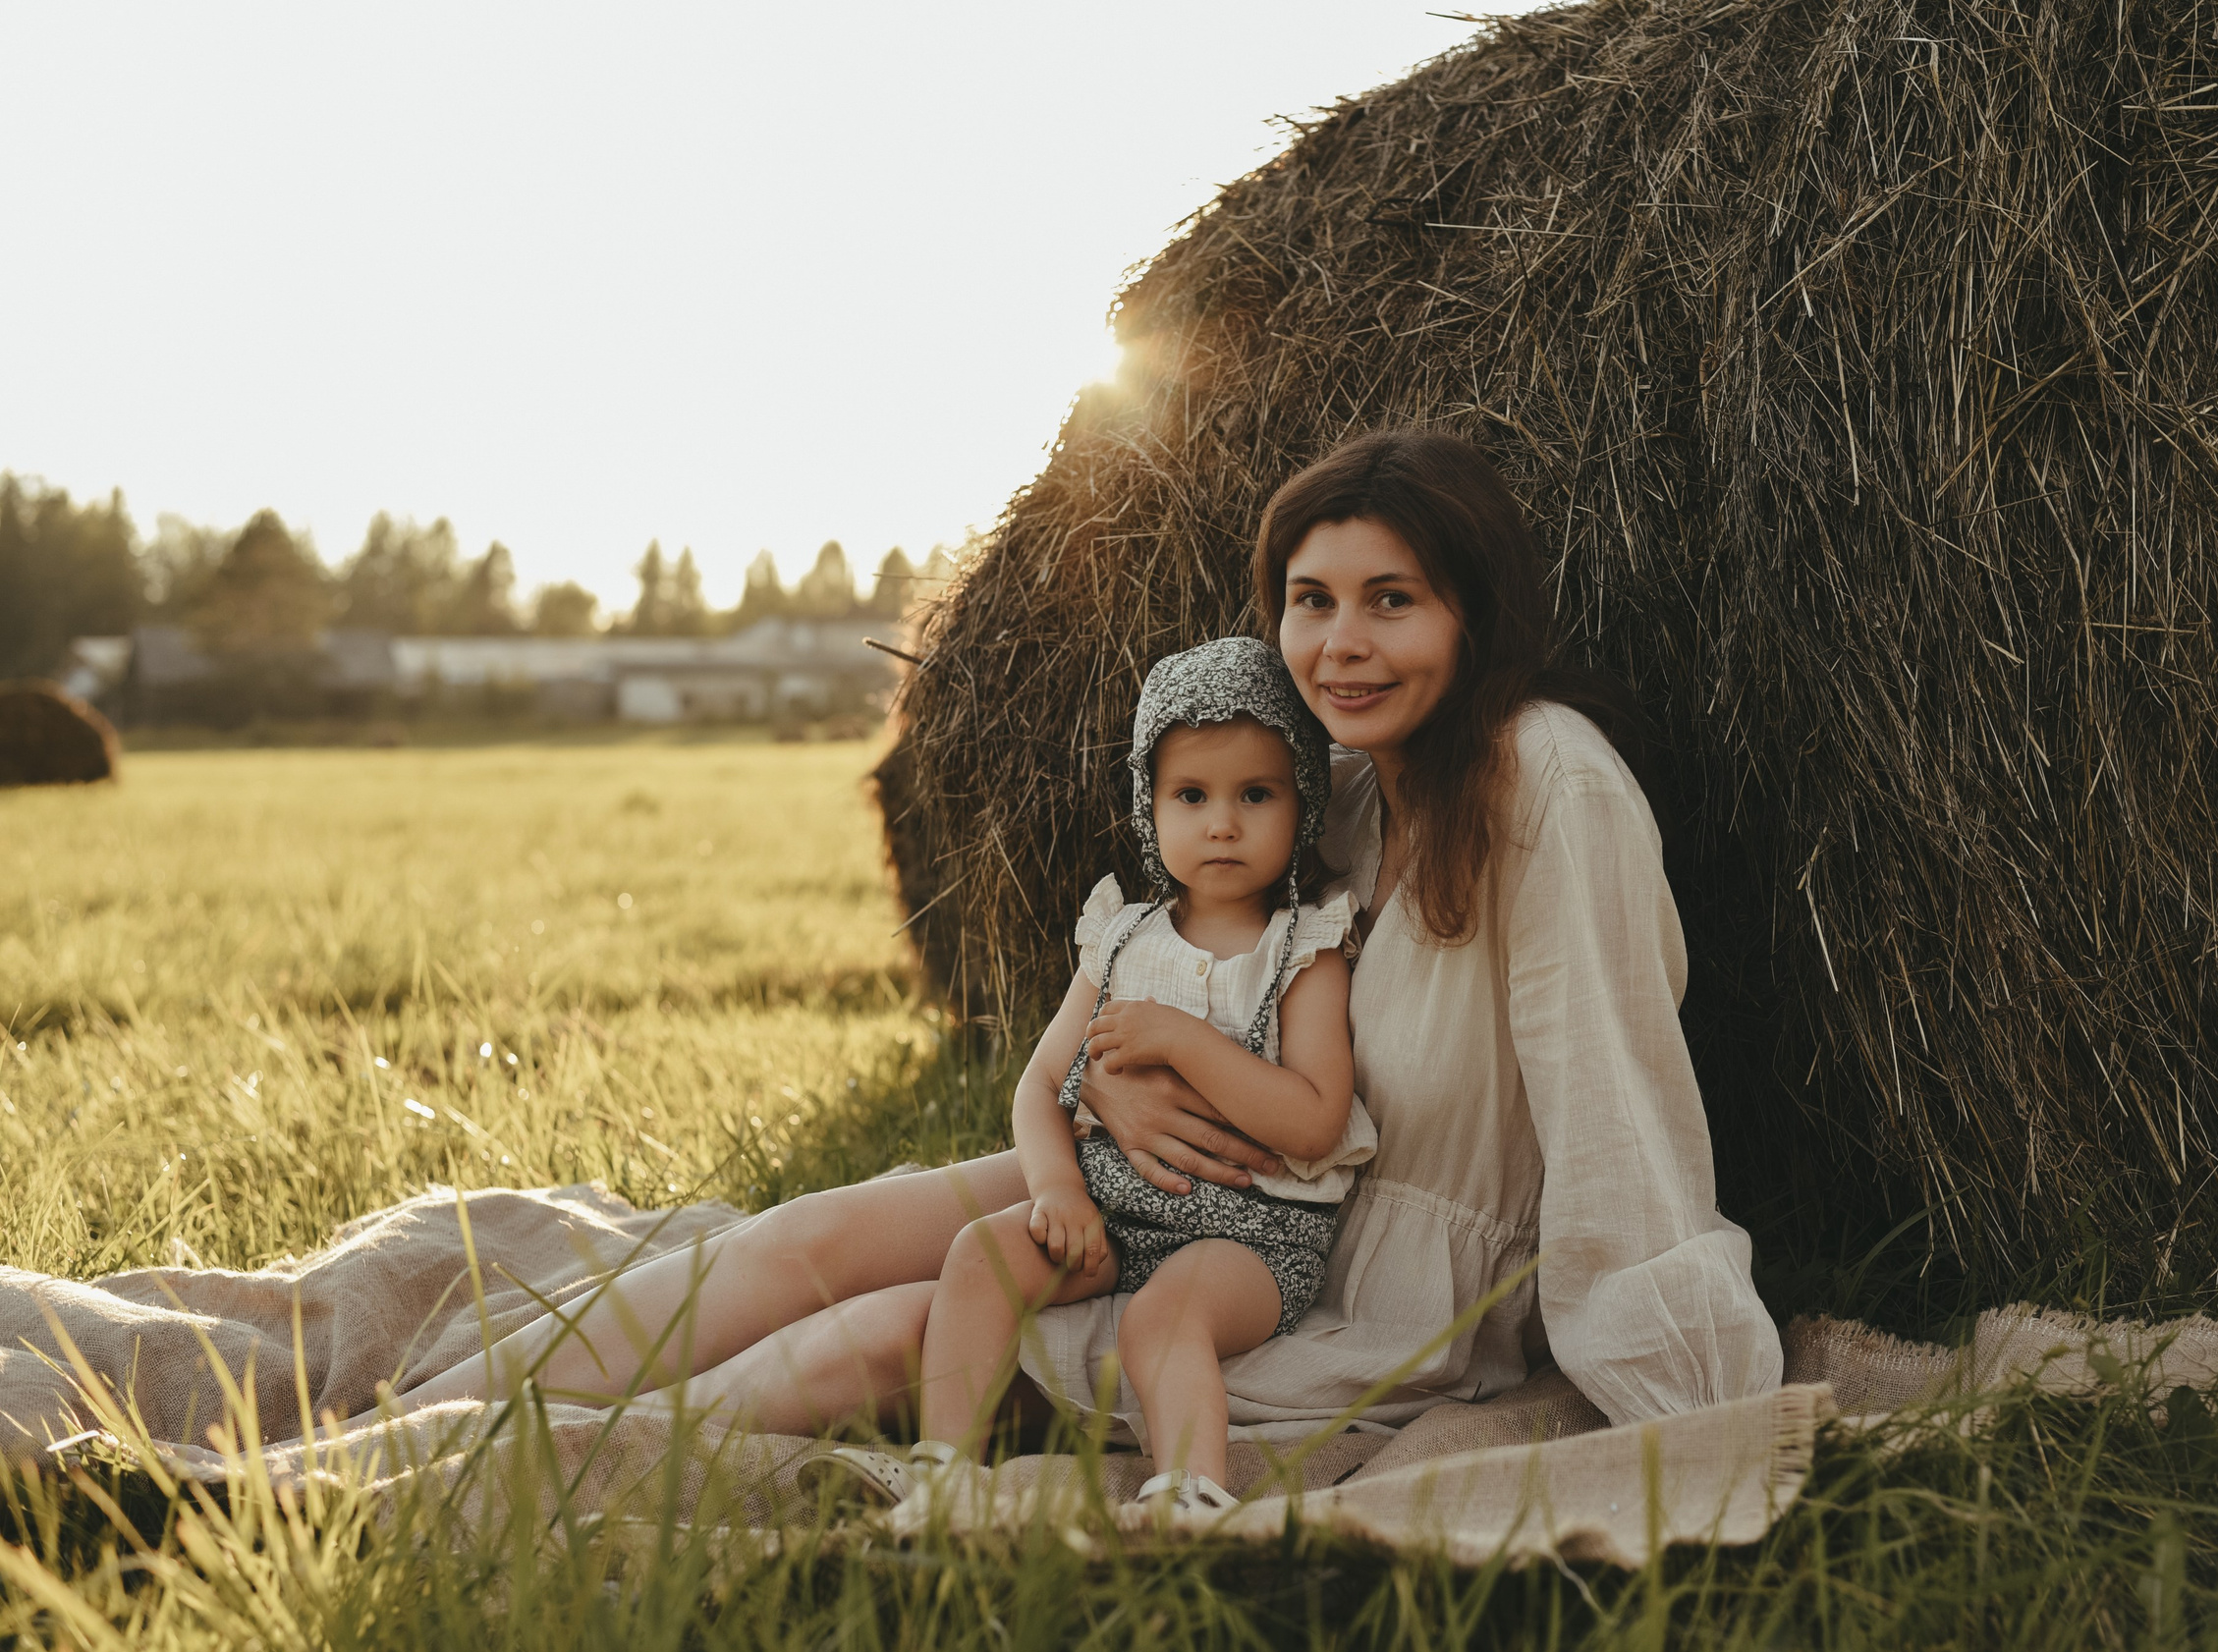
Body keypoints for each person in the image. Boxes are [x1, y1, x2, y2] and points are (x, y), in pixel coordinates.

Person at [373, 428, 1781, 1459]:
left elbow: (1615, 1102)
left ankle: (498, 1469)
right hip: (1175, 1166)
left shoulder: (1548, 782)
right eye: (1311, 599)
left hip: (1334, 1257)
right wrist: (1104, 1076)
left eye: (1393, 601)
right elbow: (1206, 966)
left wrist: (1682, 1379)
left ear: (1477, 613)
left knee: (892, 1326)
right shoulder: (1341, 787)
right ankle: (411, 1414)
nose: (1342, 644)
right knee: (831, 1228)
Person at [857, 636, 1374, 1524]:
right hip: (1111, 1212)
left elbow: (1317, 1121)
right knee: (979, 1256)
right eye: (1192, 795)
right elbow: (1040, 1083)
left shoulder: (1306, 949)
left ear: (1305, 801)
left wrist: (1180, 1038)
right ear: (1150, 803)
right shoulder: (1122, 936)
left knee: (1162, 1321)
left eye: (1257, 794)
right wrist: (1059, 1191)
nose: (1222, 822)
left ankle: (1190, 1492)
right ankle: (944, 1471)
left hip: (1253, 1235)